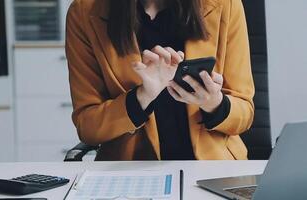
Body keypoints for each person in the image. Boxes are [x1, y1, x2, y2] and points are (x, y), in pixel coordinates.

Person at [65, 0, 255, 160]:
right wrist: (142, 97)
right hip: (130, 173)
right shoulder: (84, 13)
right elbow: (88, 126)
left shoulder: (225, 5)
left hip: (212, 168)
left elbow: (245, 114)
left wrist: (214, 103)